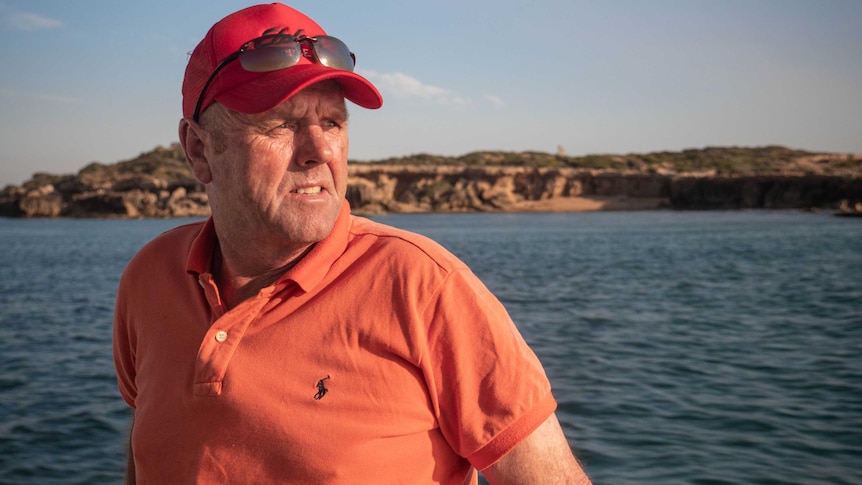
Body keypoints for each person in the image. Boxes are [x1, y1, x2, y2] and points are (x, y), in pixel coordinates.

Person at [112, 3, 592, 484]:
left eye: (333, 123)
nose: (320, 151)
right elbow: (149, 449)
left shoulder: (425, 288)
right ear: (198, 149)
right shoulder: (150, 278)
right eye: (281, 124)